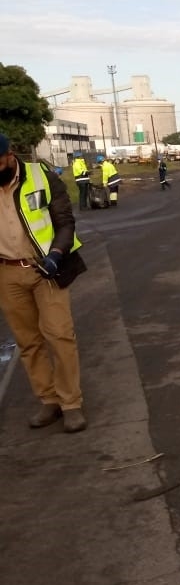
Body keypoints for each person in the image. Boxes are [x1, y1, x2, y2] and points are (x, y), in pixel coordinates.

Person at [0, 133, 88, 432]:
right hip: (7, 273)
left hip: (45, 268)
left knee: (59, 335)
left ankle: (71, 403)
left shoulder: (41, 177)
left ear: (10, 155)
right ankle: (48, 400)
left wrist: (56, 255)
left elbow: (64, 221)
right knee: (28, 342)